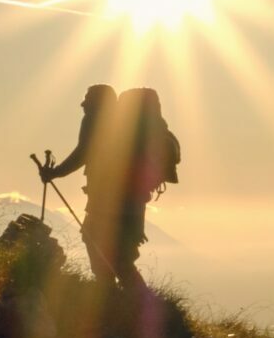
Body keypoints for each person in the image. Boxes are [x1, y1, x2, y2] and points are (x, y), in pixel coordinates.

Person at [41, 84, 179, 285]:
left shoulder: (95, 120)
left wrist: (55, 173)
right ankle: (125, 301)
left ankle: (116, 296)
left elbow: (83, 153)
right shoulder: (127, 126)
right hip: (133, 204)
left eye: (87, 99)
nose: (83, 103)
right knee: (121, 257)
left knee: (100, 247)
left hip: (106, 203)